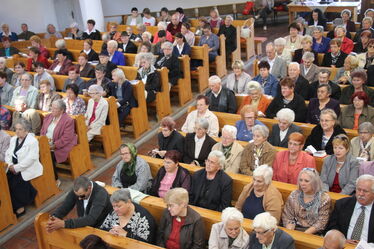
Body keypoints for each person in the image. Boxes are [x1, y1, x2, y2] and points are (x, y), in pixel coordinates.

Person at [5, 119, 42, 217]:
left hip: (27, 168)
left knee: (15, 183)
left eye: (20, 129)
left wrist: (16, 168)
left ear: (26, 130)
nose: (17, 131)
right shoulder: (13, 139)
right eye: (16, 129)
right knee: (4, 182)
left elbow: (31, 159)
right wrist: (10, 165)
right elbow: (8, 154)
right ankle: (8, 206)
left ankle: (20, 207)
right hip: (12, 167)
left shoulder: (32, 141)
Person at [46, 176, 112, 231]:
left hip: (100, 226)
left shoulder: (100, 194)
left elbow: (91, 219)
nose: (79, 198)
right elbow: (65, 206)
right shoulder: (78, 191)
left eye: (82, 196)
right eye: (77, 196)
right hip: (85, 224)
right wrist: (55, 217)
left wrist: (64, 224)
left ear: (89, 188)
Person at [327, 174, 374, 244]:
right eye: (358, 189)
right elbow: (332, 226)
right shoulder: (342, 204)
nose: (361, 194)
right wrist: (342, 240)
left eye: (365, 191)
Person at [282, 168, 331, 234]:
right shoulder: (294, 194)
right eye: (301, 180)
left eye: (306, 181)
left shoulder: (324, 198)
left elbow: (321, 222)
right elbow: (287, 215)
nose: (302, 183)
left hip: (313, 233)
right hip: (294, 228)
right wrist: (290, 230)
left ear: (315, 182)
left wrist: (304, 235)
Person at [40, 100, 77, 181]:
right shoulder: (48, 117)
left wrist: (54, 145)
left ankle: (55, 179)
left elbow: (67, 138)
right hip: (47, 143)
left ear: (62, 110)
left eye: (55, 108)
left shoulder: (68, 120)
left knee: (47, 155)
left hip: (62, 146)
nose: (52, 109)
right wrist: (43, 141)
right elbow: (42, 131)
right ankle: (42, 177)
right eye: (52, 107)